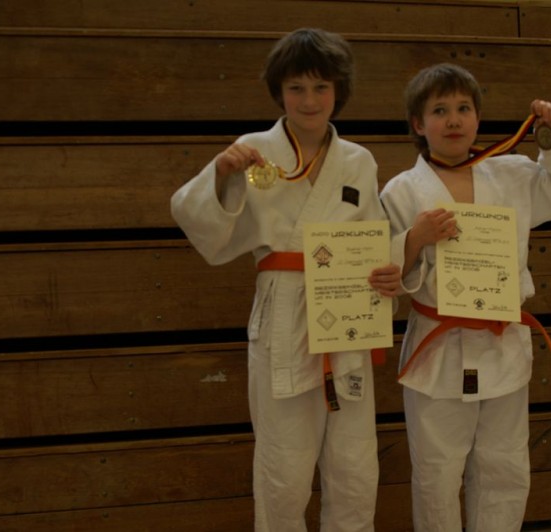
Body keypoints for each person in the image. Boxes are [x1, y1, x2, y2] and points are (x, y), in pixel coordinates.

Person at [170, 28, 400, 532]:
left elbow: (376, 239)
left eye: (321, 87)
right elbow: (196, 219)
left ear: (338, 90)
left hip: (346, 314)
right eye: (297, 88)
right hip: (283, 316)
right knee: (284, 466)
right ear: (279, 92)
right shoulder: (253, 150)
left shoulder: (358, 160)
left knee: (354, 465)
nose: (309, 100)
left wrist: (387, 275)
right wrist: (222, 175)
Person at [379, 63, 551, 532]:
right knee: (436, 473)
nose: (453, 120)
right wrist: (415, 237)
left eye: (463, 108)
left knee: (505, 467)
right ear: (418, 124)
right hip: (437, 348)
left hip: (501, 343)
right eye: (439, 110)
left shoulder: (511, 174)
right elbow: (383, 273)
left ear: (477, 118)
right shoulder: (403, 190)